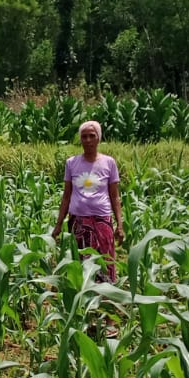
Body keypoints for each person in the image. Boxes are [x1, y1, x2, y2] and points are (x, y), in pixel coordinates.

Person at [50, 120, 123, 283]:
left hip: (102, 219)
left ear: (98, 138)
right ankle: (83, 297)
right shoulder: (71, 163)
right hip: (78, 221)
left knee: (104, 259)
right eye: (84, 136)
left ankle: (105, 295)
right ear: (80, 139)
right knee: (80, 261)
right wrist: (58, 224)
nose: (88, 140)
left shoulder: (109, 163)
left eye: (92, 136)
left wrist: (120, 224)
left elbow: (114, 196)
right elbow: (66, 195)